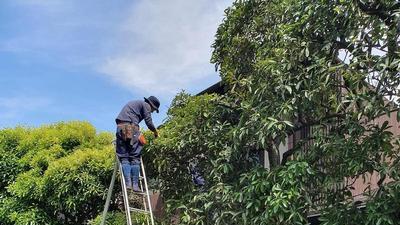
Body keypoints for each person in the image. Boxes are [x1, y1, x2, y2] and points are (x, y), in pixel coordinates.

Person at [115, 96, 160, 191]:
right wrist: (155, 131)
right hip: (131, 127)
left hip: (120, 128)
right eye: (154, 110)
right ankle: (135, 185)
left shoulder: (135, 104)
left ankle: (128, 184)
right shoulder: (146, 105)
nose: (152, 112)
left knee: (124, 157)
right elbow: (149, 122)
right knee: (135, 157)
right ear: (151, 105)